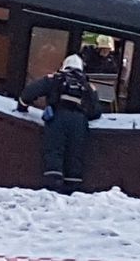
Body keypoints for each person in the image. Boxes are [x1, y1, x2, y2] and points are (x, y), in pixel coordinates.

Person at [17, 54, 102, 193]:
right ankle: (72, 191)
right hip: (79, 122)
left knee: (54, 150)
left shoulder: (55, 78)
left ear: (64, 65)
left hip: (58, 117)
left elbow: (29, 93)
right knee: (75, 155)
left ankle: (53, 187)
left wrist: (22, 107)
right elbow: (96, 111)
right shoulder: (88, 86)